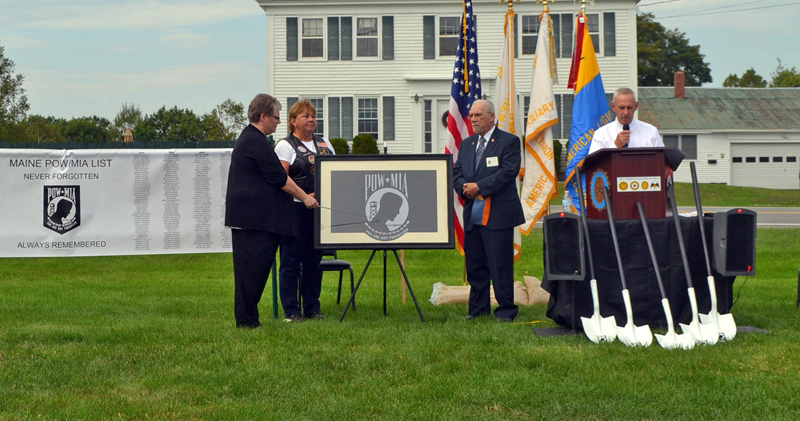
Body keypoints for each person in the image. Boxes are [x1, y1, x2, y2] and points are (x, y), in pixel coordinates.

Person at [225, 94, 318, 329]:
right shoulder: (255, 141)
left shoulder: (253, 140)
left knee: (253, 274)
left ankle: (249, 320)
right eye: (276, 117)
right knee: (251, 273)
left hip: (254, 220)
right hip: (253, 221)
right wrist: (306, 197)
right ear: (263, 116)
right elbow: (280, 178)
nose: (279, 122)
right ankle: (246, 321)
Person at [452, 99, 525, 322]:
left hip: (498, 215)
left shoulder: (508, 142)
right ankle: (477, 309)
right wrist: (465, 188)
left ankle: (505, 311)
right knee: (476, 265)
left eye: (478, 115)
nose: (473, 119)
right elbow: (456, 173)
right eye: (471, 115)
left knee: (499, 264)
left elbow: (508, 172)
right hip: (473, 214)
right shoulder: (467, 144)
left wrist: (480, 188)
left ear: (491, 117)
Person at [274, 100, 335, 321]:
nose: (311, 119)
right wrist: (303, 196)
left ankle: (312, 307)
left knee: (313, 261)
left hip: (320, 211)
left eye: (313, 116)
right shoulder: (285, 145)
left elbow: (335, 172)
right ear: (293, 121)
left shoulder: (325, 143)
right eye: (305, 116)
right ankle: (291, 310)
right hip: (295, 210)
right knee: (291, 260)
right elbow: (282, 178)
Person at [588, 87, 664, 154]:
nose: (626, 112)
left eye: (629, 107)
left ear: (636, 106)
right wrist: (615, 147)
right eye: (621, 108)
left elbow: (663, 160)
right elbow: (594, 165)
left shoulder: (651, 131)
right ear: (613, 106)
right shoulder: (601, 134)